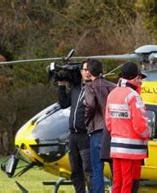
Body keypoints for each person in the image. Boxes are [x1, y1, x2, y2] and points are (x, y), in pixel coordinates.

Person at [105, 62, 148, 193]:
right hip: (131, 150)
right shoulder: (133, 96)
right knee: (128, 184)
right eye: (139, 78)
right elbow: (140, 125)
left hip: (116, 147)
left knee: (117, 182)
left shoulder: (112, 93)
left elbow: (108, 122)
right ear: (135, 78)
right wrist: (147, 135)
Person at [57, 62, 92, 193]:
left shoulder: (95, 88)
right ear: (81, 72)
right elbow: (64, 103)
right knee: (75, 170)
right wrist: (61, 85)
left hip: (86, 135)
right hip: (73, 135)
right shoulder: (76, 88)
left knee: (88, 170)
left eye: (89, 70)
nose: (86, 72)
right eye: (84, 70)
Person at [83, 59, 116, 193]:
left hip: (97, 131)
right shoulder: (113, 86)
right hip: (113, 131)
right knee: (115, 169)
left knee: (97, 169)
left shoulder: (90, 86)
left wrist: (86, 121)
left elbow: (90, 105)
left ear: (90, 72)